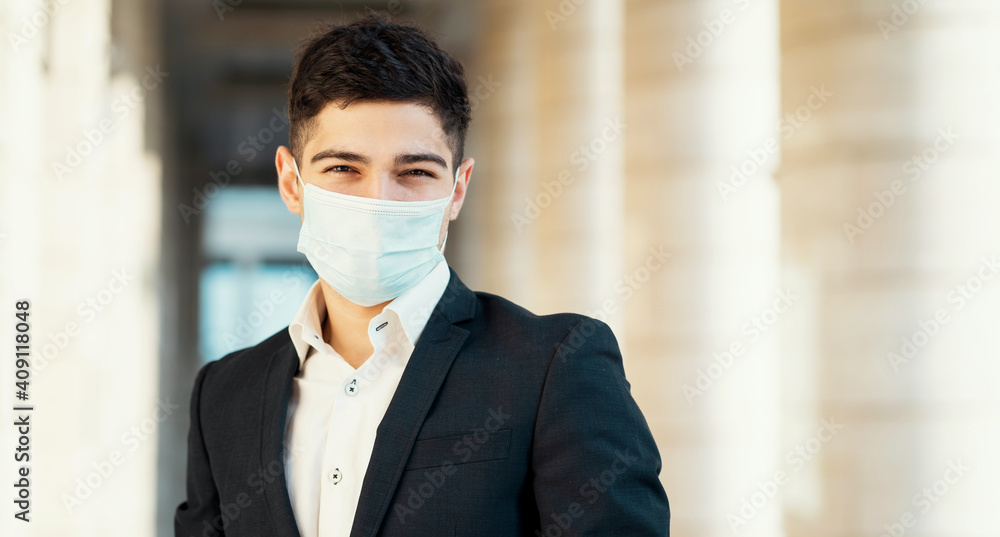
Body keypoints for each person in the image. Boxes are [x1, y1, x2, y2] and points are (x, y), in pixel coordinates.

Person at [174, 13, 669, 537]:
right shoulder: (223, 395)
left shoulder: (556, 365)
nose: (378, 200)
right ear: (292, 183)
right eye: (343, 168)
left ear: (456, 189)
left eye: (414, 172)